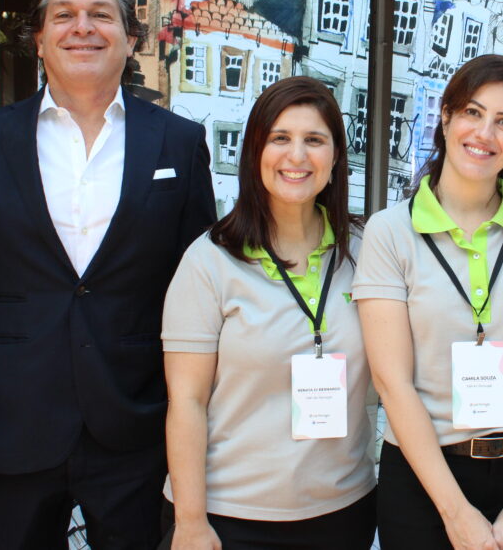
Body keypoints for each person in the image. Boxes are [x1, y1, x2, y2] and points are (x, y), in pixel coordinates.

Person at [0, 0, 217, 549]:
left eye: (101, 15)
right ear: (39, 40)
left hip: (137, 426)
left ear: (130, 38)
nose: (83, 27)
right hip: (13, 424)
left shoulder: (179, 142)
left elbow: (199, 286)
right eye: (64, 15)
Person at [355, 55, 503, 550]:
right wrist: (457, 515)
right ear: (446, 117)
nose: (485, 133)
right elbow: (393, 384)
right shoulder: (389, 233)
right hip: (423, 483)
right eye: (473, 113)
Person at [161, 76, 376, 550]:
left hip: (344, 512)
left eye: (314, 140)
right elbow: (187, 402)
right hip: (230, 516)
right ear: (255, 150)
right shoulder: (209, 260)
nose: (297, 156)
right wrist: (191, 523)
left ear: (336, 156)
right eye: (280, 138)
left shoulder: (367, 253)